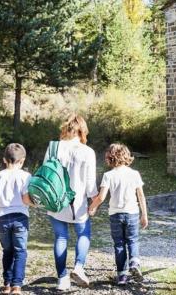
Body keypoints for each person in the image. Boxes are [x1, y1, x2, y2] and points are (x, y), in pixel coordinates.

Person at [46, 114, 98, 291]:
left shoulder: (53, 146)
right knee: (83, 234)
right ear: (82, 131)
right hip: (78, 203)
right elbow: (91, 184)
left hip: (55, 201)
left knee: (61, 238)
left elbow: (45, 173)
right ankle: (78, 267)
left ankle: (62, 278)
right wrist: (94, 201)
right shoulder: (87, 152)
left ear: (66, 128)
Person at [88, 143, 148, 285]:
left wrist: (91, 207)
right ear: (126, 156)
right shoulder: (134, 174)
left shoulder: (108, 175)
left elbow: (102, 197)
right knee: (133, 240)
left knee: (119, 244)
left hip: (115, 214)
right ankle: (134, 262)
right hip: (132, 213)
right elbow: (141, 196)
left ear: (110, 158)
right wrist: (144, 215)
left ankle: (122, 276)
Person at [0, 143, 32, 295]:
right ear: (22, 160)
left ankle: (6, 285)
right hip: (20, 217)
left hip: (2, 217)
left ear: (4, 159)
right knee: (20, 251)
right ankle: (17, 286)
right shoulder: (26, 176)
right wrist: (34, 204)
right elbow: (25, 200)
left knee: (7, 251)